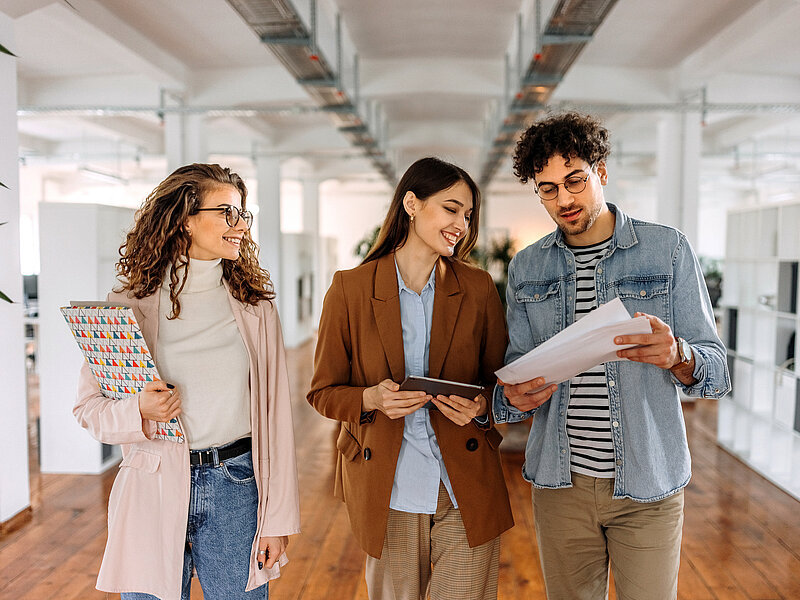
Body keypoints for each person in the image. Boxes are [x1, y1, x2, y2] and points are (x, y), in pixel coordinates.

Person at [493, 113, 730, 600]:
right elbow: (514, 373)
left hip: (648, 484)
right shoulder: (527, 267)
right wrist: (513, 398)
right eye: (548, 188)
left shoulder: (666, 250)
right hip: (560, 486)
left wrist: (679, 354)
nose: (564, 199)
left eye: (574, 180)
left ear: (601, 172)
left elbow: (718, 371)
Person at [73, 164, 300, 600]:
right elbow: (88, 410)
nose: (241, 227)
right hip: (151, 486)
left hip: (237, 486)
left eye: (243, 215)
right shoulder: (126, 307)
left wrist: (277, 520)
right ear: (185, 219)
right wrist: (138, 409)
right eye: (227, 213)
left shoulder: (256, 309)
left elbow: (277, 422)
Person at [307, 157, 513, 600]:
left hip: (464, 485)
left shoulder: (477, 289)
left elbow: (501, 383)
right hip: (390, 487)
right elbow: (322, 392)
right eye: (451, 209)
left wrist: (481, 406)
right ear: (412, 204)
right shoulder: (350, 289)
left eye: (468, 215)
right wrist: (370, 399)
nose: (461, 223)